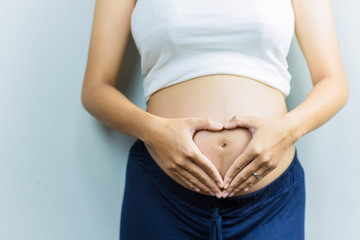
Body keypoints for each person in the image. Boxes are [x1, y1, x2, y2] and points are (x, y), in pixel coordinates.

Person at [81, 0, 349, 239]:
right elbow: (96, 89)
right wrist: (156, 132)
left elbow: (333, 82)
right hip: (163, 195)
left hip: (269, 204)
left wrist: (287, 131)